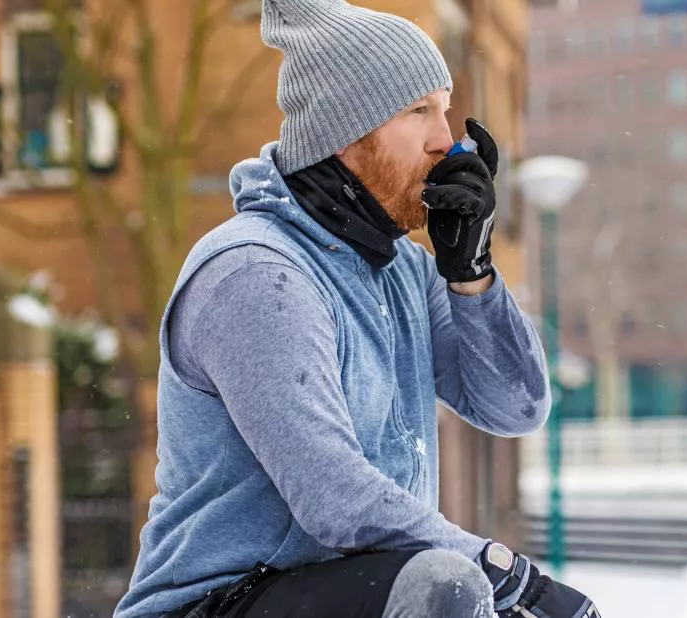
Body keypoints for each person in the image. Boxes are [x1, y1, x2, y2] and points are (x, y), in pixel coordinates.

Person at [114, 1, 601, 616]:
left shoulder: (403, 271)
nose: (445, 140)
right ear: (345, 131)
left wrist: (470, 273)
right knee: (445, 586)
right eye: (419, 111)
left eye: (445, 109)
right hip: (216, 604)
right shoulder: (256, 274)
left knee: (444, 585)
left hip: (345, 593)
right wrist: (512, 578)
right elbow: (335, 499)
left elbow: (515, 407)